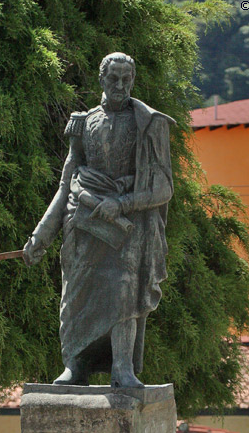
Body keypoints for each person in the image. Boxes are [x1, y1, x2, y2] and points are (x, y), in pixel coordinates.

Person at [22, 52, 175, 388]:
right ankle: (75, 366)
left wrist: (122, 203)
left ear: (132, 80)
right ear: (102, 79)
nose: (120, 85)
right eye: (114, 78)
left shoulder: (148, 123)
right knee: (75, 295)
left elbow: (163, 187)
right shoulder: (82, 123)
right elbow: (66, 184)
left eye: (126, 79)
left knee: (123, 291)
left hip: (126, 227)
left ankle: (122, 368)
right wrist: (41, 236)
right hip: (82, 224)